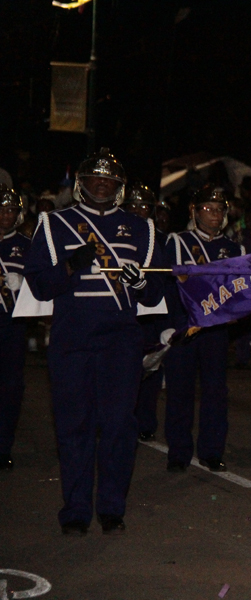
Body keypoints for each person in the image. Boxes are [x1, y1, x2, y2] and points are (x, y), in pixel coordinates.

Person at [24, 148, 165, 535]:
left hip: (121, 338)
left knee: (120, 424)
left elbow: (154, 294)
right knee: (74, 426)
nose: (101, 184)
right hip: (72, 336)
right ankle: (75, 510)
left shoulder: (143, 229)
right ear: (81, 185)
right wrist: (71, 265)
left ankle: (112, 508)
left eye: (110, 180)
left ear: (119, 188)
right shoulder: (54, 224)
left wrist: (139, 282)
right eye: (94, 179)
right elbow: (39, 284)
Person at [164, 185, 244, 473]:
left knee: (215, 391)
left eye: (220, 209)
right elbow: (169, 286)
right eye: (208, 208)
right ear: (194, 211)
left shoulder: (236, 248)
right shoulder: (177, 241)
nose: (215, 214)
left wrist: (236, 312)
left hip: (216, 329)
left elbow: (240, 289)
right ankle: (178, 451)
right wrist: (171, 324)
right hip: (185, 326)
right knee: (180, 391)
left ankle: (212, 450)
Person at [123, 182, 169, 442]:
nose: (139, 211)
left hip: (151, 312)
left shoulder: (161, 239)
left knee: (151, 369)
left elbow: (167, 284)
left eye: (145, 206)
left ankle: (146, 422)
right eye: (134, 206)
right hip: (122, 311)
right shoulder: (114, 235)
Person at [0, 184, 29, 470]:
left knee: (10, 388)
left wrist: (23, 286)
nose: (6, 215)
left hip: (11, 325)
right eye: (2, 209)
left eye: (11, 210)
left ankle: (3, 445)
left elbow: (39, 284)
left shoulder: (26, 245)